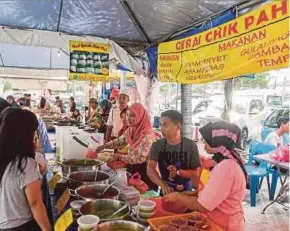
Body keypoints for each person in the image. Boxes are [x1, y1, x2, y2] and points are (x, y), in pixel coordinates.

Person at [165, 121, 247, 231]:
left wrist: (179, 197)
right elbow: (217, 193)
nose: (204, 146)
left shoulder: (226, 168)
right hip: (216, 220)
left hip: (225, 225)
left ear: (218, 142)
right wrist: (191, 194)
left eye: (206, 141)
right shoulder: (222, 160)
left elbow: (203, 206)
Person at [0, 108, 51, 231]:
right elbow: (35, 204)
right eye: (34, 131)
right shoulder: (26, 164)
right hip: (21, 226)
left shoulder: (5, 157)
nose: (36, 135)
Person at [93, 103, 157, 190]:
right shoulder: (131, 129)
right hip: (133, 168)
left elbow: (140, 158)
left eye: (132, 116)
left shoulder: (147, 134)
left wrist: (119, 157)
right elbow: (120, 141)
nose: (128, 118)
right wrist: (104, 146)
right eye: (127, 115)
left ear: (140, 116)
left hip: (146, 172)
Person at [147, 110, 201, 195]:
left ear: (178, 126)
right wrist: (163, 184)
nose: (161, 129)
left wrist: (179, 172)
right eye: (161, 125)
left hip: (186, 193)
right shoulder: (157, 145)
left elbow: (196, 173)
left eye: (165, 125)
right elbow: (150, 169)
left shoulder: (190, 145)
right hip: (166, 191)